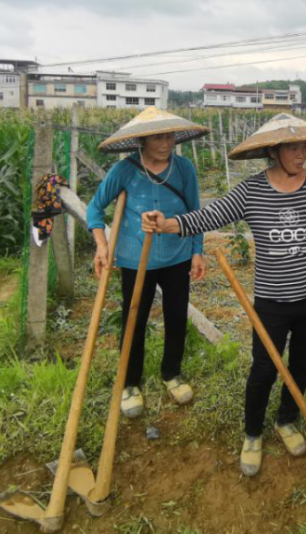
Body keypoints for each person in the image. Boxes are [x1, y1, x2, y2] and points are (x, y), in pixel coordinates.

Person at [142, 113, 306, 477]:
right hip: (271, 302)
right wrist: (168, 225)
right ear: (274, 150)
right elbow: (208, 217)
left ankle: (287, 419)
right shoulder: (252, 191)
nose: (303, 154)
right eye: (294, 146)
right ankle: (253, 433)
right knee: (264, 368)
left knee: (301, 363)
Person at [87, 107, 210, 419]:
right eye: (158, 136)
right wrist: (102, 245)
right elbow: (95, 208)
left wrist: (197, 251)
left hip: (177, 255)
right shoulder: (125, 170)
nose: (165, 142)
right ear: (142, 139)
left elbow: (196, 214)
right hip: (134, 258)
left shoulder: (184, 169)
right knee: (134, 319)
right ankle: (130, 382)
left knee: (175, 317)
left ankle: (171, 373)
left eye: (169, 135)